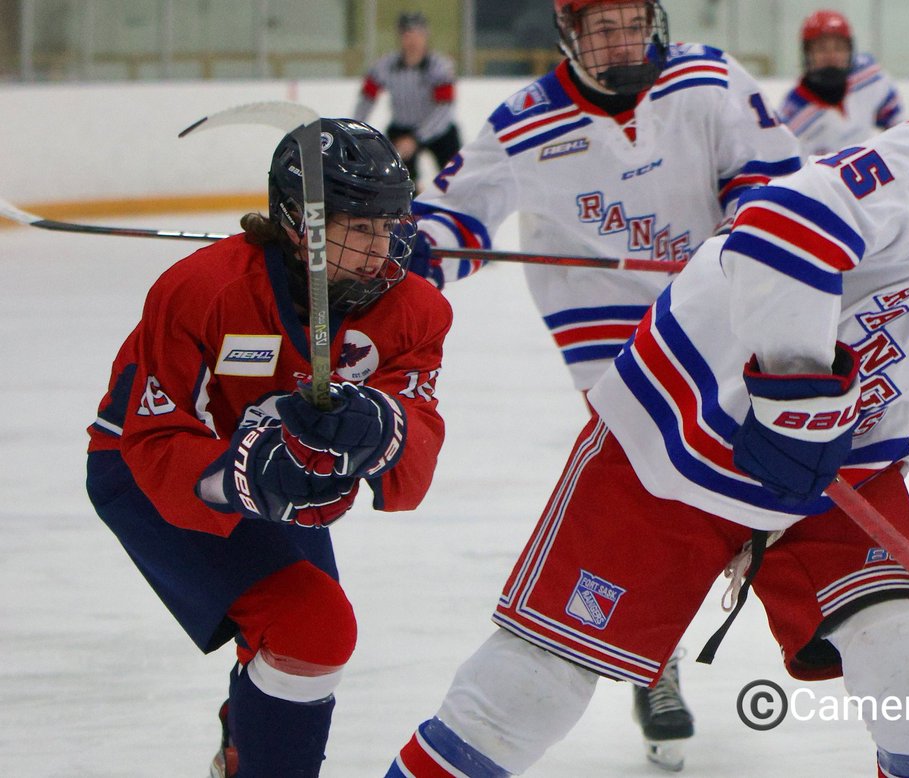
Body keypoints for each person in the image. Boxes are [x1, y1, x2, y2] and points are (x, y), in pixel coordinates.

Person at [384, 15, 909, 777]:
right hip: (686, 423)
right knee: (528, 695)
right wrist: (796, 402)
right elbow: (784, 222)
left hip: (841, 468)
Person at [403, 0, 801, 769]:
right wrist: (405, 255)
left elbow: (778, 185)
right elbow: (454, 219)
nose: (621, 40)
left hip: (716, 321)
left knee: (731, 496)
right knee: (663, 498)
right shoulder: (524, 123)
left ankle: (674, 646)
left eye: (631, 22)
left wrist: (744, 244)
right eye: (599, 28)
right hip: (610, 346)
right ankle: (661, 662)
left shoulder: (710, 79)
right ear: (568, 37)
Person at [85, 119, 451, 778]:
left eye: (387, 227)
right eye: (359, 229)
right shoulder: (202, 290)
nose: (379, 252)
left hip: (278, 472)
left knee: (296, 640)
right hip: (145, 473)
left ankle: (244, 744)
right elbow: (154, 440)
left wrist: (380, 427)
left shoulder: (415, 309)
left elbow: (415, 459)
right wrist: (241, 476)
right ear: (299, 224)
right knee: (313, 628)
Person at [353, 12, 462, 187]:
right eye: (407, 35)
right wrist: (354, 129)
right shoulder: (385, 65)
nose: (413, 41)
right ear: (400, 37)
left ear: (426, 36)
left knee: (456, 179)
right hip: (401, 129)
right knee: (399, 182)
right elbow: (367, 99)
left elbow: (445, 109)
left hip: (438, 130)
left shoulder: (439, 66)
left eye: (418, 35)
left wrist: (417, 137)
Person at [777, 9, 904, 156]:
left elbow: (897, 128)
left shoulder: (869, 77)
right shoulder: (792, 118)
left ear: (850, 50)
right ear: (807, 54)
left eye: (839, 48)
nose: (831, 56)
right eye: (821, 49)